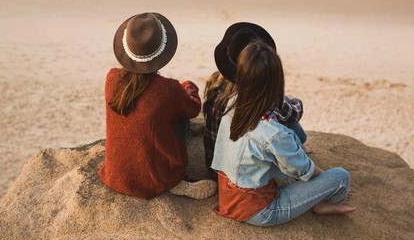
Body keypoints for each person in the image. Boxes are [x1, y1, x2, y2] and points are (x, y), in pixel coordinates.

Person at [211, 40, 355, 227]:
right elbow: (305, 170)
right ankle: (326, 204)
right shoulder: (272, 133)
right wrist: (326, 181)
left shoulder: (232, 102)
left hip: (228, 193)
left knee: (287, 139)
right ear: (277, 81)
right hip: (260, 211)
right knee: (340, 176)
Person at [98, 12, 217, 200]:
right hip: (154, 179)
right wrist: (188, 86)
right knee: (180, 117)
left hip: (116, 176)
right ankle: (176, 182)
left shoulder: (111, 77)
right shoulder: (167, 90)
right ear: (162, 52)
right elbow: (194, 108)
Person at [203, 22, 312, 176]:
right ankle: (301, 143)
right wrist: (292, 100)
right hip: (242, 174)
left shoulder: (214, 84)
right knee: (283, 109)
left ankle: (300, 143)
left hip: (215, 167)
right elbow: (293, 114)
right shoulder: (260, 97)